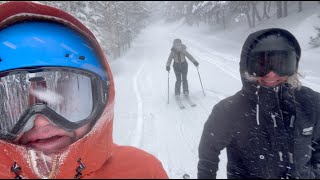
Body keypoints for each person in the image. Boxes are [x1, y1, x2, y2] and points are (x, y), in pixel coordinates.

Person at [0, 1, 168, 179]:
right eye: (15, 97)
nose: (41, 121)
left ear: (102, 99)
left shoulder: (143, 172)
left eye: (63, 93)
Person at [197, 28, 320, 179]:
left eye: (281, 64)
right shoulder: (229, 110)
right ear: (248, 67)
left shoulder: (311, 103)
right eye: (262, 65)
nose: (271, 74)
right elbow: (208, 153)